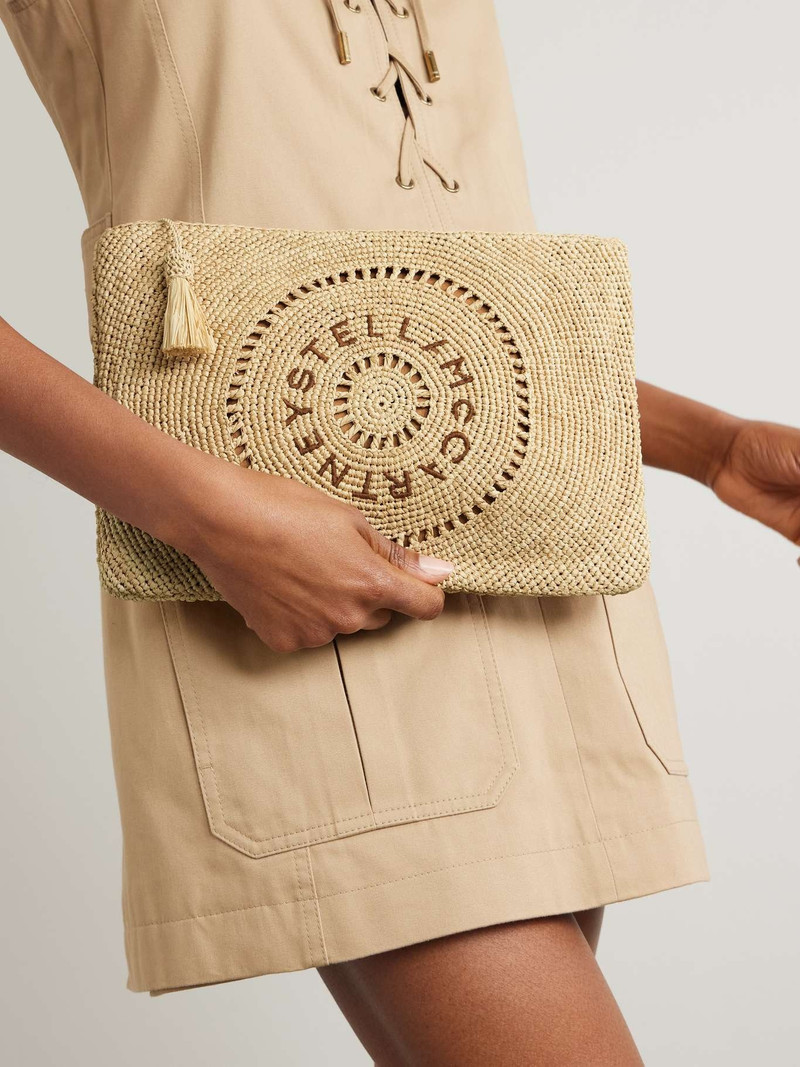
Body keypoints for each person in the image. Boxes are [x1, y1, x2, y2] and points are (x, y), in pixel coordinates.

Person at [1, 2, 797, 1062]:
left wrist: (710, 446)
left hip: (537, 570)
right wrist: (207, 515)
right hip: (299, 588)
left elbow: (425, 286)